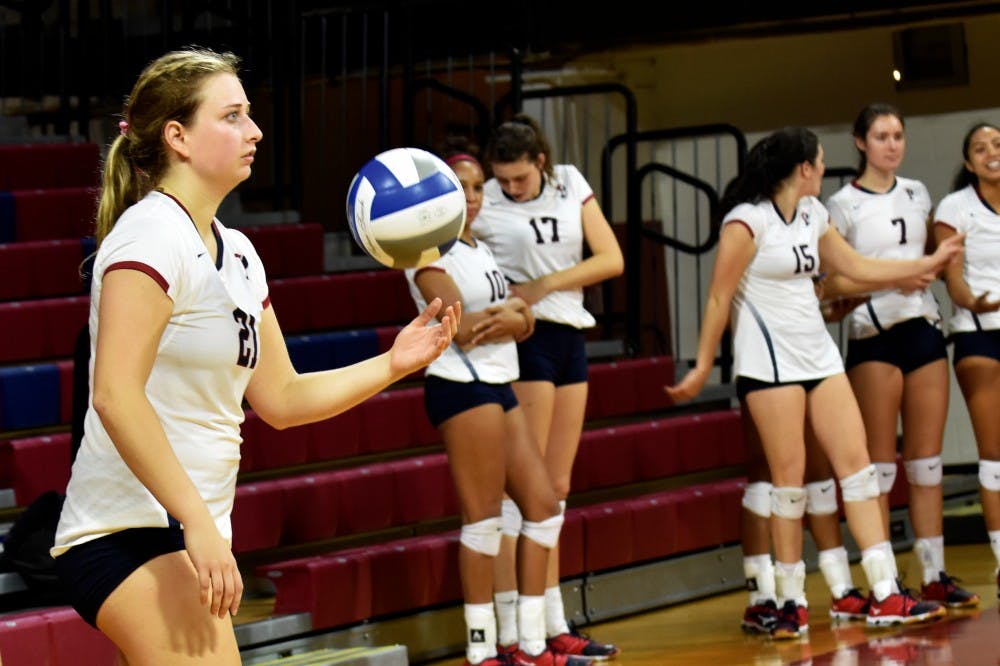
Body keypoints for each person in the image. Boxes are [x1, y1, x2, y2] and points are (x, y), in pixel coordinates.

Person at [49, 47, 459, 665]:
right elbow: (114, 395)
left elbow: (283, 399)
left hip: (184, 531)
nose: (255, 130)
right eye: (233, 116)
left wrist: (394, 363)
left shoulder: (237, 250)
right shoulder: (150, 235)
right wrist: (196, 522)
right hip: (128, 529)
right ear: (178, 137)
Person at [666, 126, 959, 637]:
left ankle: (885, 591)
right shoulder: (747, 220)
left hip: (819, 357)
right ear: (803, 168)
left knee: (859, 471)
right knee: (789, 483)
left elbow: (854, 266)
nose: (824, 169)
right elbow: (718, 297)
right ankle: (791, 600)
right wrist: (702, 365)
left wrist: (923, 265)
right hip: (769, 364)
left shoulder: (813, 213)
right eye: (820, 162)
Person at [405, 148, 586, 666]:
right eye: (459, 187)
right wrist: (512, 318)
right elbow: (461, 328)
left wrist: (515, 319)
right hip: (461, 387)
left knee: (543, 508)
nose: (471, 197)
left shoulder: (480, 248)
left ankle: (530, 643)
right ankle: (483, 648)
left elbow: (522, 320)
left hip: (500, 382)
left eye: (478, 187)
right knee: (483, 520)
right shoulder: (425, 253)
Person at [474, 114, 623, 659]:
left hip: (569, 334)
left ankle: (553, 621)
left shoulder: (570, 182)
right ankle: (516, 629)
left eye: (520, 178)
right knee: (526, 491)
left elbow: (611, 258)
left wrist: (544, 284)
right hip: (525, 338)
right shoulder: (483, 200)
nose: (512, 188)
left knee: (555, 488)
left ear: (541, 161)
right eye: (503, 179)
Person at [824, 103, 979, 609]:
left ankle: (934, 575)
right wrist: (894, 279)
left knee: (927, 465)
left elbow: (933, 259)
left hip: (923, 329)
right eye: (881, 136)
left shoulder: (917, 193)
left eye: (898, 136)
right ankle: (886, 581)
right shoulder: (841, 204)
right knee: (878, 470)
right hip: (874, 334)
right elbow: (833, 281)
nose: (892, 145)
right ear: (860, 142)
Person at [934, 121, 1000, 602]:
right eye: (980, 148)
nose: (991, 152)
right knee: (995, 456)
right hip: (981, 337)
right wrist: (973, 302)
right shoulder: (955, 208)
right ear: (968, 162)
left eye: (997, 143)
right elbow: (952, 280)